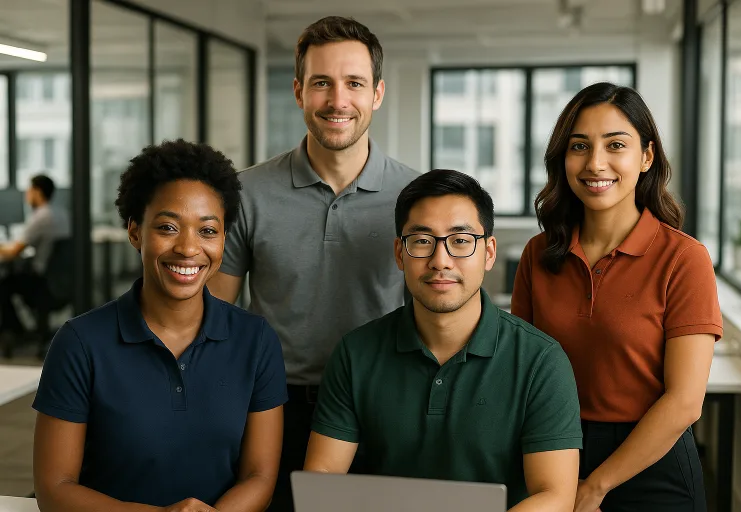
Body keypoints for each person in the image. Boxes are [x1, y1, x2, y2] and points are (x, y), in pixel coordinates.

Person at [207, 16, 418, 511]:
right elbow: (216, 316)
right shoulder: (247, 192)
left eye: (354, 84)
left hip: (383, 405)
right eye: (322, 82)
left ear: (378, 93)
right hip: (272, 407)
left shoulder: (416, 196)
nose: (338, 100)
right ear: (299, 91)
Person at [304, 169, 582, 512]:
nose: (440, 261)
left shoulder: (540, 361)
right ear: (399, 253)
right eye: (422, 241)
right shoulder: (355, 353)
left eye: (461, 240)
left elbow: (554, 495)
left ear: (489, 252)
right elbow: (323, 476)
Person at [32, 140, 288, 512]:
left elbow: (260, 477)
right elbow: (54, 489)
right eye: (168, 227)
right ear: (135, 232)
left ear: (224, 241)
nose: (187, 248)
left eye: (207, 231)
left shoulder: (255, 340)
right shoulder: (80, 343)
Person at [511, 82, 721, 512]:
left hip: (653, 463)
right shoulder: (538, 254)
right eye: (580, 146)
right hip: (553, 450)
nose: (595, 163)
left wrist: (598, 484)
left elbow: (684, 402)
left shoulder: (684, 258)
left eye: (615, 145)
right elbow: (522, 371)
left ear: (646, 157)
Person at [0, 174, 71, 345]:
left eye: (29, 191)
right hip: (61, 280)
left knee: (3, 285)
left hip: (42, 283)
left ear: (37, 191)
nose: (26, 195)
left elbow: (15, 251)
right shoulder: (61, 213)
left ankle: (16, 331)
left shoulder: (41, 217)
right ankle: (21, 331)